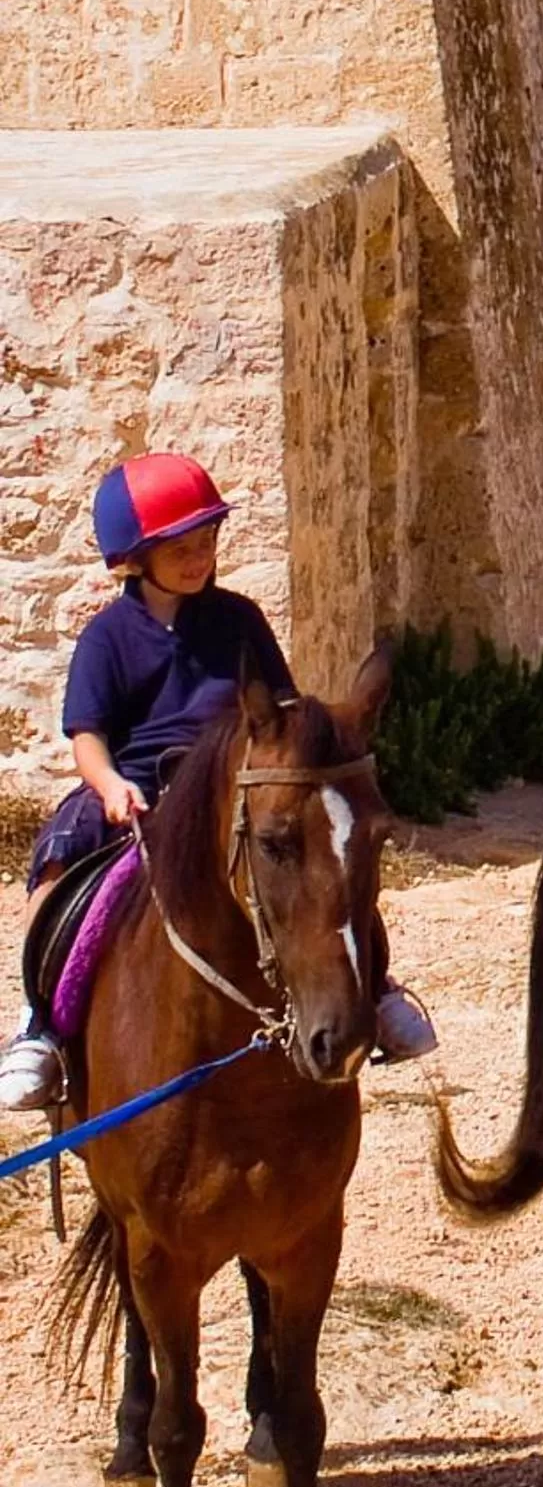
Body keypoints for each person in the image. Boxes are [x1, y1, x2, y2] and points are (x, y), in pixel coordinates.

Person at [0, 454, 438, 1111]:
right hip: (141, 785)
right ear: (135, 556)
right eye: (180, 547)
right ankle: (41, 1027)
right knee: (61, 865)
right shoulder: (107, 637)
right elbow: (86, 735)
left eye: (206, 542)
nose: (199, 557)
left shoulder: (239, 620)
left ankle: (375, 984)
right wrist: (111, 784)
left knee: (330, 859)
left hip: (237, 782)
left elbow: (283, 710)